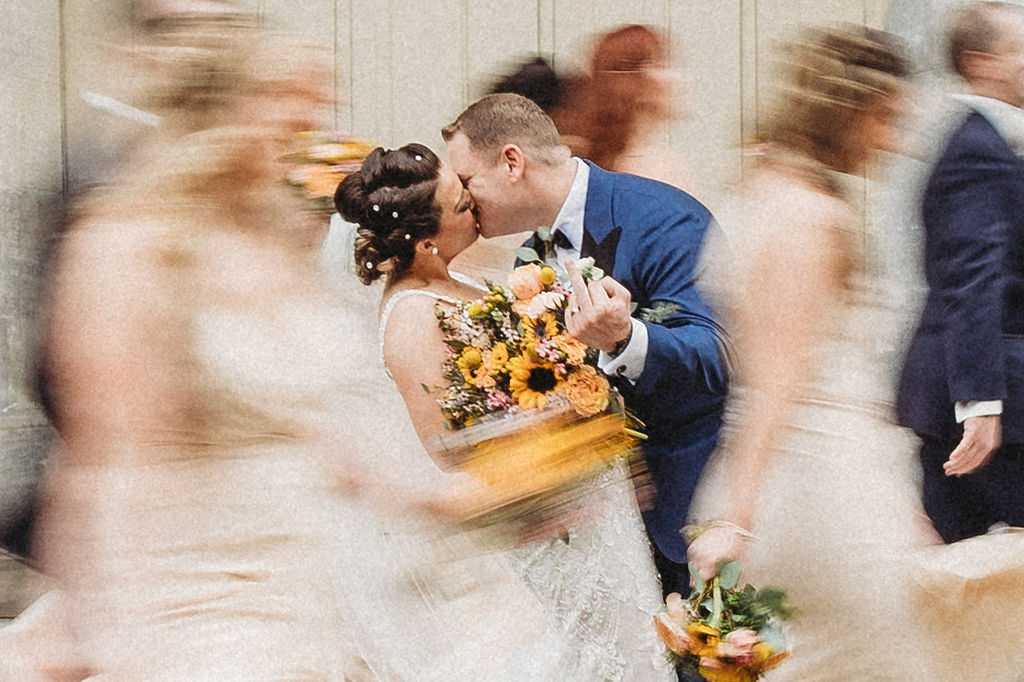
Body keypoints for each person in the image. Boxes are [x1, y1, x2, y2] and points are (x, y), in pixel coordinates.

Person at [686, 24, 1024, 680]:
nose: (894, 142)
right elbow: (778, 381)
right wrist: (738, 519)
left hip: (798, 481)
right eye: (887, 119)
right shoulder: (812, 218)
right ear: (853, 112)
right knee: (890, 664)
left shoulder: (757, 188)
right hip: (824, 492)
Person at [334, 142, 675, 681]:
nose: (473, 200)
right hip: (548, 516)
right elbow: (452, 452)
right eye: (460, 202)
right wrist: (558, 423)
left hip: (587, 496)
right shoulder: (411, 319)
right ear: (425, 244)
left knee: (633, 643)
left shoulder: (453, 279)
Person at [442, 92, 730, 602]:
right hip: (612, 528)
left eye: (467, 182)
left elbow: (718, 356)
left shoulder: (663, 217)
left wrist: (626, 337)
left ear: (512, 162)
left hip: (692, 509)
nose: (464, 201)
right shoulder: (530, 258)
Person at [898, 0, 1024, 543]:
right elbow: (974, 280)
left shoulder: (991, 142)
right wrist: (979, 404)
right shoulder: (978, 151)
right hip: (988, 403)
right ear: (979, 61)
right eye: (1019, 49)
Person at [565, 24, 696, 193]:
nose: (683, 78)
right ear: (633, 81)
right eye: (663, 64)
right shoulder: (653, 169)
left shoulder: (624, 163)